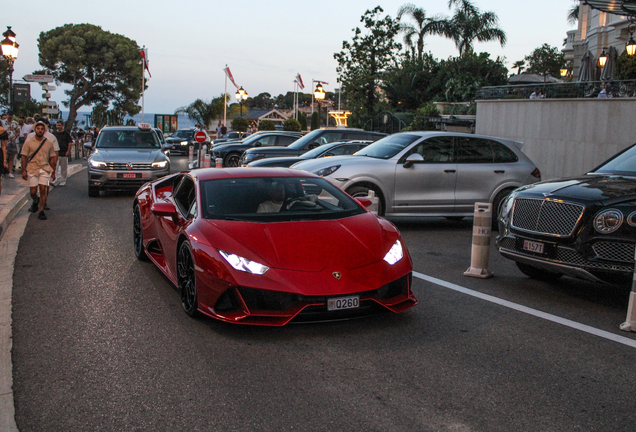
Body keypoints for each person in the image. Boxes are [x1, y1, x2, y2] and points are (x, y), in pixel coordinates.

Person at [20, 121, 57, 220]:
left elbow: (52, 158)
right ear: (35, 130)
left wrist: (53, 171)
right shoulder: (29, 142)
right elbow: (24, 156)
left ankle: (41, 211)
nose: (40, 130)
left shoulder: (48, 143)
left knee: (43, 189)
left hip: (44, 168)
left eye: (42, 129)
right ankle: (36, 201)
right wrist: (23, 170)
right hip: (32, 168)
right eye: (38, 129)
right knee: (33, 191)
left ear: (44, 131)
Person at [52, 120, 73, 186]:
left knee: (64, 168)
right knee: (55, 167)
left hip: (63, 153)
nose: (58, 126)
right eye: (57, 125)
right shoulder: (54, 133)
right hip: (56, 153)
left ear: (62, 126)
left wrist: (68, 151)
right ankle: (54, 180)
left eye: (60, 125)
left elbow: (69, 143)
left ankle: (63, 180)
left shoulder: (66, 134)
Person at [5, 111, 20, 178]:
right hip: (5, 141)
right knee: (5, 157)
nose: (10, 116)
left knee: (11, 157)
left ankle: (10, 171)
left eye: (11, 115)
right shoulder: (3, 122)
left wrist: (15, 136)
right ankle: (4, 171)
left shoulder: (15, 123)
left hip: (12, 141)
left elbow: (18, 131)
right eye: (9, 115)